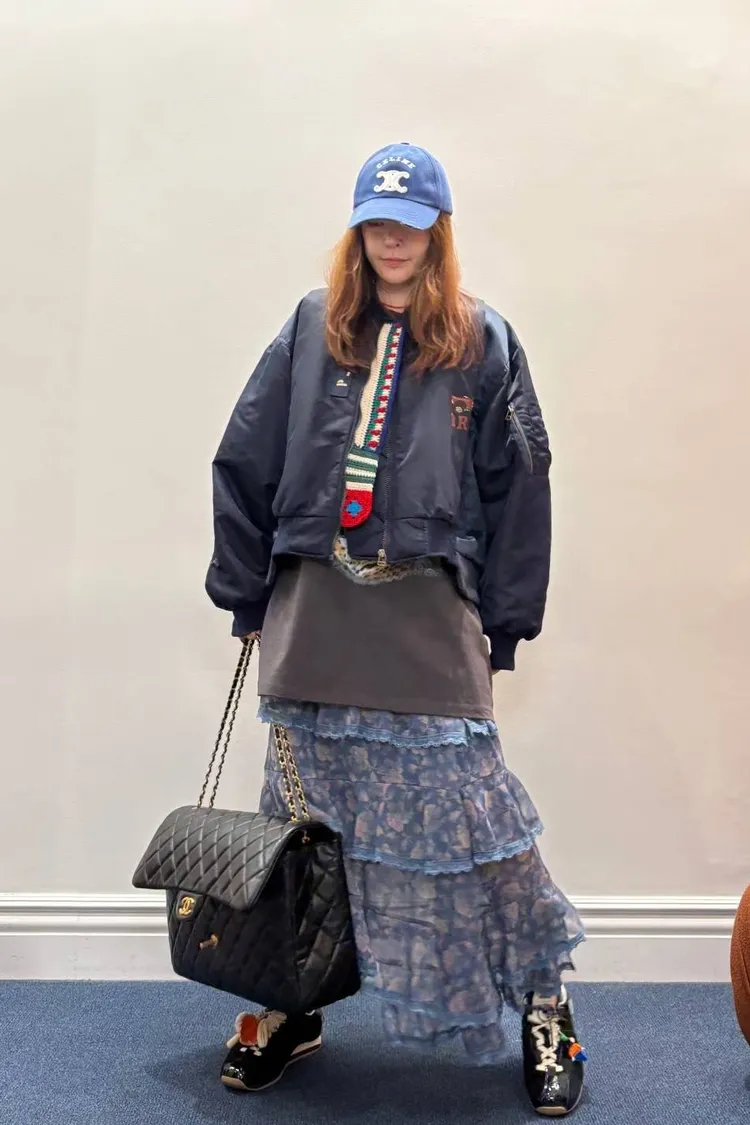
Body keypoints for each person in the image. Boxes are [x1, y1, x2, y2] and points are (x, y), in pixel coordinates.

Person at [206, 143, 587, 1117]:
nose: (392, 239)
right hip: (313, 616)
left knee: (481, 827)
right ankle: (291, 1005)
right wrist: (244, 593)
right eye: (376, 222)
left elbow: (522, 485)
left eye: (409, 223)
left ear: (437, 232)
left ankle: (545, 1005)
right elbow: (243, 458)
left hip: (425, 617)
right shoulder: (310, 326)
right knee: (298, 833)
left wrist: (505, 622)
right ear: (357, 230)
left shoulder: (483, 340)